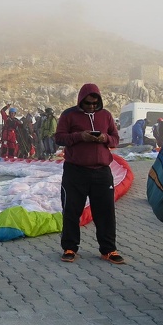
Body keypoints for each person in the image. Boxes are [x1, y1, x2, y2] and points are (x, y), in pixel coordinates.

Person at [55, 83, 124, 264]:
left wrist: (105, 138)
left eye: (95, 103)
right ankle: (70, 248)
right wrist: (80, 136)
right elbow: (59, 138)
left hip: (102, 172)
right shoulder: (69, 115)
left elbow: (115, 139)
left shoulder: (106, 115)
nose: (92, 107)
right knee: (71, 210)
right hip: (75, 171)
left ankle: (108, 250)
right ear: (80, 100)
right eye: (88, 103)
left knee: (106, 212)